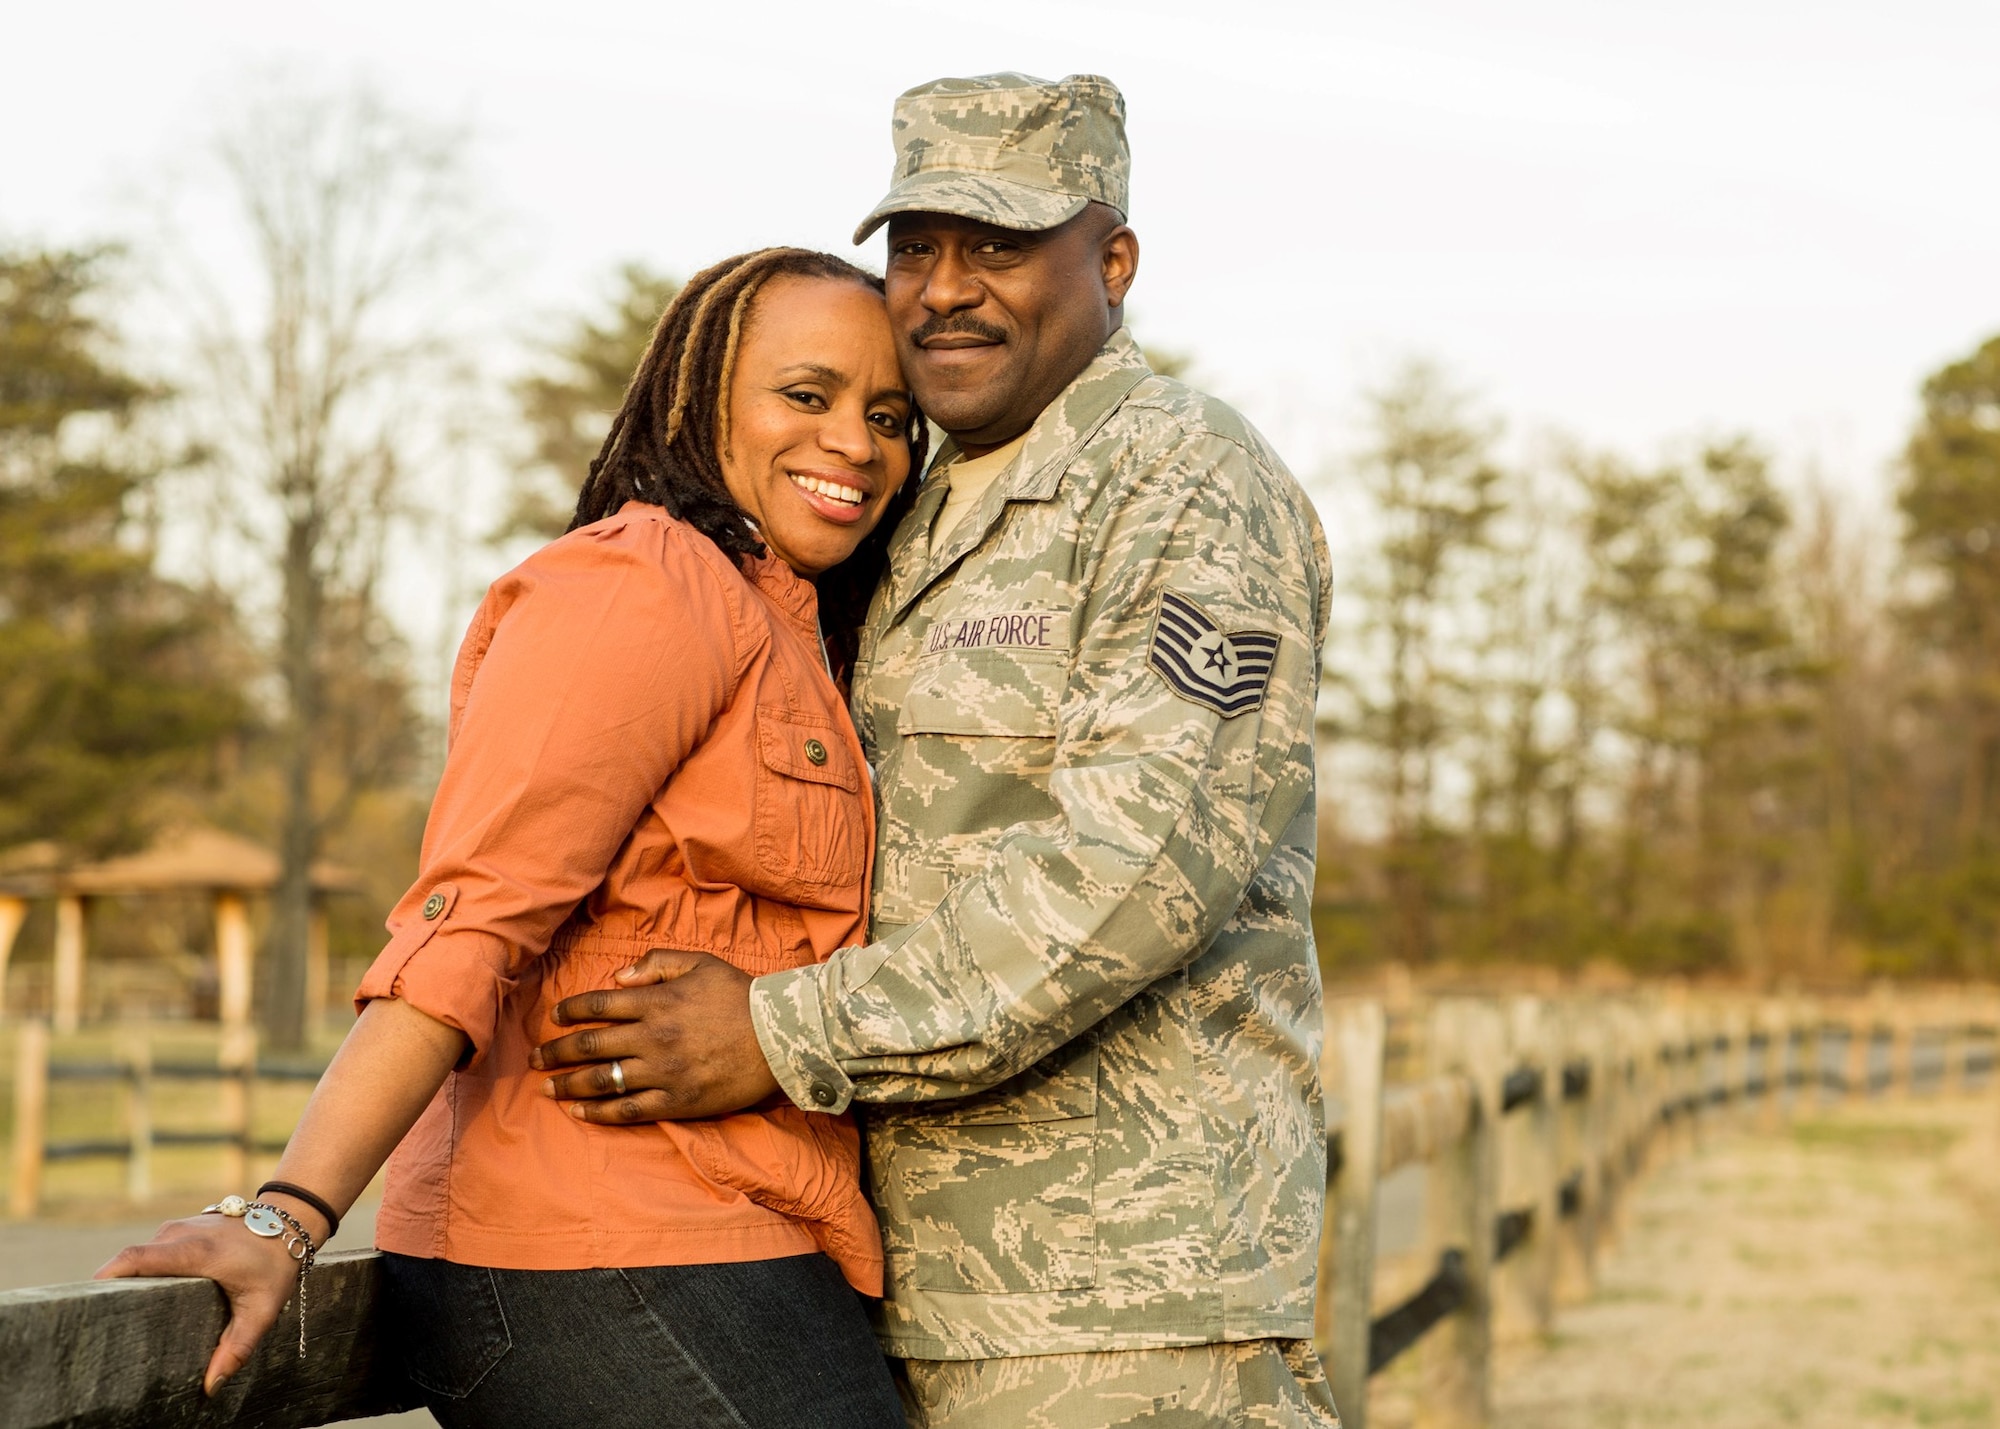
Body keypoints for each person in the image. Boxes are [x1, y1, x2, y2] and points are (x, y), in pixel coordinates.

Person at [533, 74, 1342, 1428]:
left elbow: (1133, 872)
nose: (944, 291)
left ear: (1114, 261)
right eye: (915, 248)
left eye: (1002, 246)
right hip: (909, 1292)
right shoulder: (907, 501)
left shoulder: (1183, 479)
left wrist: (779, 1033)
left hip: (1117, 1309)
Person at [97, 247, 925, 1429]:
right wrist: (290, 1210)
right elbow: (469, 918)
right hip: (597, 1252)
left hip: (730, 1232)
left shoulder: (792, 631)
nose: (856, 440)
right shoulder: (643, 586)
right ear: (698, 402)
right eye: (807, 395)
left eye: (887, 415)